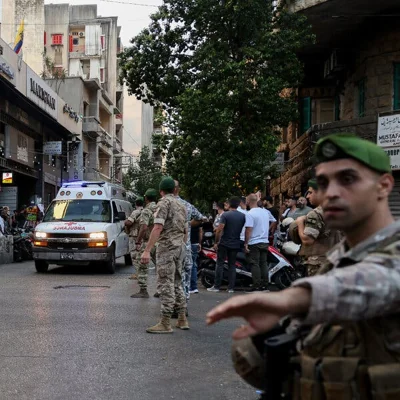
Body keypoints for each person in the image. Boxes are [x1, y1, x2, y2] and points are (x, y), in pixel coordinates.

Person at [207, 133, 400, 398]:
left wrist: (291, 299)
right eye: (323, 182)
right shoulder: (340, 257)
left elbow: (376, 280)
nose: (329, 193)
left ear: (384, 185)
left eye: (347, 179)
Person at [140, 177, 188, 333]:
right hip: (179, 247)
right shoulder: (182, 205)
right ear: (174, 190)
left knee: (165, 284)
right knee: (177, 282)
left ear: (161, 191)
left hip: (167, 248)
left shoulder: (163, 203)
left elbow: (158, 227)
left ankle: (165, 322)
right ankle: (182, 319)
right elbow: (185, 230)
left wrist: (147, 250)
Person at [296, 179, 342, 276]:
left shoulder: (316, 214)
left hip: (320, 265)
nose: (308, 196)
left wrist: (300, 223)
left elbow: (307, 240)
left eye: (310, 192)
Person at [174, 180, 204, 303]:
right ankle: (183, 306)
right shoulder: (187, 205)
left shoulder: (164, 205)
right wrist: (189, 224)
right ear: (178, 189)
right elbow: (201, 218)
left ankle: (173, 306)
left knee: (171, 278)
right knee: (185, 277)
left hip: (170, 248)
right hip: (185, 247)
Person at [207, 197, 246, 293]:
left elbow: (219, 229)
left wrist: (216, 242)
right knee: (232, 265)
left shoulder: (225, 215)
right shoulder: (242, 216)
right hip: (236, 242)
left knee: (219, 263)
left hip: (224, 242)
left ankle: (216, 286)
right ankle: (231, 287)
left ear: (229, 204)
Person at [244, 193, 277, 292]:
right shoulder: (265, 212)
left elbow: (249, 229)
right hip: (264, 240)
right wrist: (269, 230)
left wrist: (246, 243)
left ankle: (256, 285)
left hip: (254, 241)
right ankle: (265, 285)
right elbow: (274, 220)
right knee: (264, 263)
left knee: (255, 263)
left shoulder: (250, 214)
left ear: (248, 202)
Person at [130, 189, 158, 298]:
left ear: (146, 198)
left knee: (142, 266)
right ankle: (160, 290)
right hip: (160, 241)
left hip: (148, 241)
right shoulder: (160, 208)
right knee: (160, 266)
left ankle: (143, 290)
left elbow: (144, 226)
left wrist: (138, 240)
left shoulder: (147, 210)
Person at [124, 197, 144, 280]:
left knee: (134, 254)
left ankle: (138, 273)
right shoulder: (146, 211)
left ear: (136, 204)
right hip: (142, 235)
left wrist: (125, 222)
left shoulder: (136, 212)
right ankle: (142, 272)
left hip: (134, 235)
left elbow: (129, 222)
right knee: (141, 254)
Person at [189, 221, 203, 294]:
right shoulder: (197, 219)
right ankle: (194, 287)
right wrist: (199, 243)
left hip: (186, 243)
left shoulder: (184, 214)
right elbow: (200, 232)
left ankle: (188, 286)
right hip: (195, 243)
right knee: (193, 265)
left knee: (186, 265)